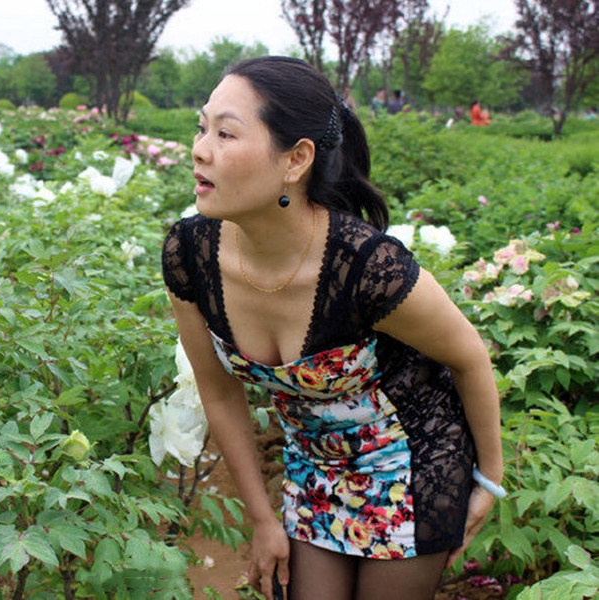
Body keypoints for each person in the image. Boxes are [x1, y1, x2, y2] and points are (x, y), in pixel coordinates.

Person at [162, 56, 504, 600]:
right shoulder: (190, 254)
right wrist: (262, 520)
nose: (200, 149)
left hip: (411, 460)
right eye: (201, 128)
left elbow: (468, 356)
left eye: (226, 133)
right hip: (312, 466)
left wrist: (489, 479)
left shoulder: (367, 267)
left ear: (296, 159)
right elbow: (220, 391)